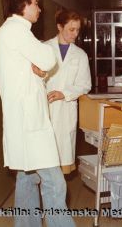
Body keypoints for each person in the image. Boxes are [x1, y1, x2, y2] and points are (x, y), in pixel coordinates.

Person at [0, 0, 75, 227]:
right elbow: (48, 57)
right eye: (36, 3)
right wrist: (42, 64)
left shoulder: (14, 32)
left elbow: (32, 70)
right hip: (28, 123)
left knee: (27, 180)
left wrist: (40, 72)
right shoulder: (16, 31)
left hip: (26, 121)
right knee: (54, 182)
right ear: (23, 5)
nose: (39, 9)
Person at [45, 9, 92, 174]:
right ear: (59, 26)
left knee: (62, 163)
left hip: (66, 110)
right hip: (45, 108)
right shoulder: (44, 49)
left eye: (78, 30)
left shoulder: (80, 55)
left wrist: (64, 93)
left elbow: (85, 85)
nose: (75, 34)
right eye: (71, 29)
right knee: (43, 160)